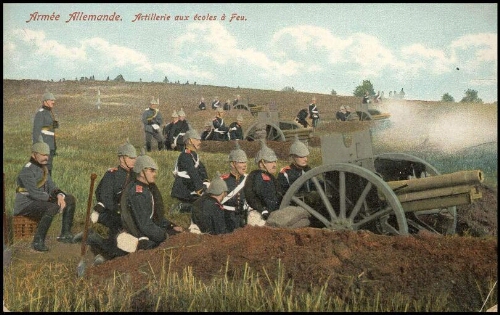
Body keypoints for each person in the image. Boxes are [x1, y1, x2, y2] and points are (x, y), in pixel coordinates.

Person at [13, 136, 77, 251]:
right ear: (34, 155)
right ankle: (37, 242)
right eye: (43, 155)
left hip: (39, 201)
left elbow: (51, 186)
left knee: (70, 199)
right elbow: (34, 193)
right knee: (52, 207)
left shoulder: (43, 168)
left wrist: (60, 195)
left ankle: (65, 234)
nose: (46, 158)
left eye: (47, 155)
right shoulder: (27, 170)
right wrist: (53, 199)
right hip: (26, 204)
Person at [117, 150, 183, 254]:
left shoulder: (146, 188)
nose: (155, 174)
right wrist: (166, 235)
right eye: (152, 171)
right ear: (142, 172)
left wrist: (171, 226)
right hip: (140, 235)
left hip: (148, 230)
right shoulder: (138, 193)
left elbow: (155, 217)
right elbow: (145, 225)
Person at [85, 139, 137, 263]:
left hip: (127, 213)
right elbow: (106, 199)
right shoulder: (111, 175)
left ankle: (100, 243)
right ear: (121, 158)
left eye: (135, 158)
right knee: (119, 226)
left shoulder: (136, 175)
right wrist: (122, 212)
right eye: (130, 158)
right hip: (110, 212)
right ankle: (105, 252)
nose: (134, 161)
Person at [244, 139, 282, 225]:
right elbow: (251, 197)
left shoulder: (271, 178)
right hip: (260, 216)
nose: (274, 165)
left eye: (275, 161)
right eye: (270, 162)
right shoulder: (258, 177)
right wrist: (262, 209)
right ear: (261, 164)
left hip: (271, 215)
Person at [170, 128, 210, 213]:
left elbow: (201, 169)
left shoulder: (193, 154)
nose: (200, 142)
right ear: (190, 141)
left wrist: (206, 181)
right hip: (184, 189)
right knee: (205, 205)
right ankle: (181, 207)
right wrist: (200, 188)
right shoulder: (185, 156)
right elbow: (193, 173)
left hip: (190, 185)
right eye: (197, 140)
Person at [220, 142, 250, 232]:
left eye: (245, 162)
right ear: (233, 164)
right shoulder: (222, 180)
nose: (244, 165)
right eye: (241, 162)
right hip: (227, 217)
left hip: (244, 216)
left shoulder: (249, 179)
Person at [32, 90, 59, 176]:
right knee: (43, 169)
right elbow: (36, 132)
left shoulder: (49, 113)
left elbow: (49, 131)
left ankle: (47, 187)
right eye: (51, 100)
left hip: (50, 146)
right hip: (44, 146)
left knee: (49, 168)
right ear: (45, 101)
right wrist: (40, 148)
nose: (53, 102)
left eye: (53, 100)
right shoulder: (41, 114)